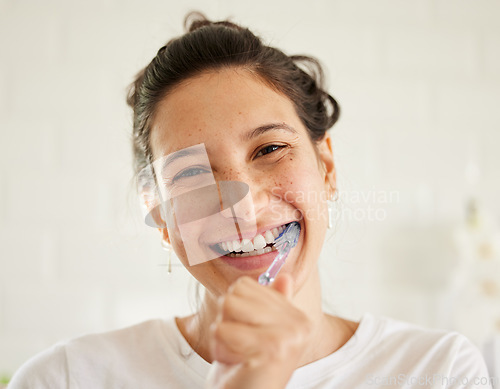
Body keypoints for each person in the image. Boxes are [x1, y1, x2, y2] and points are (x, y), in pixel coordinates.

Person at [9, 12, 492, 389]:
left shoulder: (438, 369)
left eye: (270, 150)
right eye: (192, 174)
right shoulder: (67, 379)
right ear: (161, 217)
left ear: (326, 168)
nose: (241, 209)